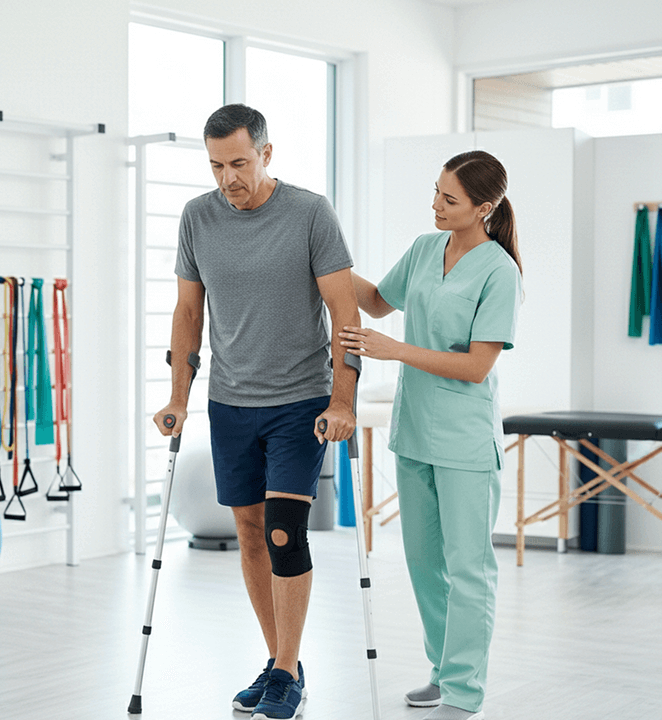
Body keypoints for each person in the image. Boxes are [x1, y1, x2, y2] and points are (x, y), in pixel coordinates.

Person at [154, 103, 360, 720]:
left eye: (239, 163)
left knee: (282, 532)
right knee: (248, 532)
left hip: (300, 402)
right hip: (230, 403)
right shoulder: (197, 218)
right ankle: (280, 665)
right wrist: (177, 399)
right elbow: (188, 314)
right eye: (217, 166)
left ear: (266, 154)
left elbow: (345, 315)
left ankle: (288, 671)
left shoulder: (309, 213)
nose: (228, 178)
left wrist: (342, 399)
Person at [339, 150, 523, 720]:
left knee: (468, 568)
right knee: (423, 564)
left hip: (465, 441)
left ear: (483, 208)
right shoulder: (424, 248)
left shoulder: (499, 271)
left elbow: (476, 367)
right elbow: (376, 301)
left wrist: (394, 350)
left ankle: (465, 693)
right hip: (415, 431)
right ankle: (442, 674)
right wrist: (321, 255)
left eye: (450, 199)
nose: (436, 206)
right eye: (436, 192)